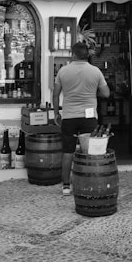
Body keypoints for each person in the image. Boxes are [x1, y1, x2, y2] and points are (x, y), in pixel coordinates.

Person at [53, 42, 110, 196]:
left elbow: (56, 94)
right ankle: (90, 183)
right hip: (89, 117)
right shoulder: (95, 71)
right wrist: (91, 93)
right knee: (90, 152)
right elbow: (106, 94)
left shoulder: (63, 71)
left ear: (73, 54)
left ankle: (66, 186)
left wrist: (56, 113)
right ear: (87, 55)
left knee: (67, 152)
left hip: (69, 116)